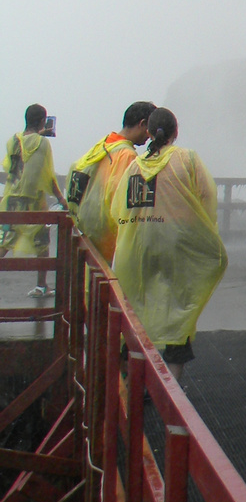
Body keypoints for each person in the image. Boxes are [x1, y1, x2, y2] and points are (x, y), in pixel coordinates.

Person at [108, 106, 228, 381]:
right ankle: (173, 393)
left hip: (136, 249)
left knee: (136, 310)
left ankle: (133, 385)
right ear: (176, 132)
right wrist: (203, 234)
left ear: (149, 132)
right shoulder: (186, 158)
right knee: (177, 310)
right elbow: (206, 200)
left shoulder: (135, 166)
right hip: (176, 247)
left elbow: (118, 210)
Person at [67, 101, 155, 262]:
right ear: (142, 124)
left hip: (87, 229)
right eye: (149, 130)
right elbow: (123, 202)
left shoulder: (104, 144)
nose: (149, 137)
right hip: (107, 237)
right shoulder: (126, 155)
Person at [1, 105, 67, 296]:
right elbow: (48, 175)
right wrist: (61, 198)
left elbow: (9, 166)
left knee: (5, 241)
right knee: (42, 244)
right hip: (33, 203)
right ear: (42, 121)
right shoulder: (42, 144)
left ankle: (41, 286)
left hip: (11, 200)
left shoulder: (13, 141)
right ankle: (41, 286)